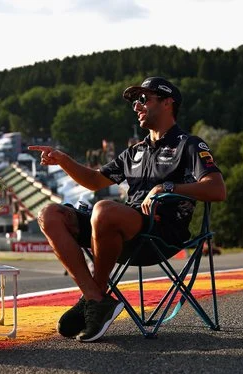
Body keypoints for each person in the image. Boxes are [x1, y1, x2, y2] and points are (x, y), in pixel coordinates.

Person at [28, 77, 226, 342]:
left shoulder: (188, 145)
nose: (136, 106)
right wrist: (64, 161)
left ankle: (93, 301)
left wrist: (169, 187)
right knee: (50, 214)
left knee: (104, 210)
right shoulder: (134, 152)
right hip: (119, 229)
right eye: (135, 101)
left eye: (144, 99)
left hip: (161, 234)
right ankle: (95, 299)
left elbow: (217, 189)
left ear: (168, 103)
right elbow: (94, 180)